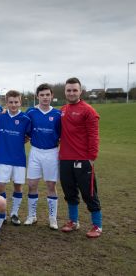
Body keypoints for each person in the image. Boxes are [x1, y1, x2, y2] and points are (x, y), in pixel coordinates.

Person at [59, 77, 102, 238]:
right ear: (65, 92)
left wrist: (91, 157)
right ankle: (73, 221)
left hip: (83, 159)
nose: (71, 93)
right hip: (65, 159)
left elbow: (94, 136)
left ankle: (97, 225)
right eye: (69, 90)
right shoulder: (63, 109)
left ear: (80, 91)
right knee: (69, 192)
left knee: (89, 193)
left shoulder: (88, 110)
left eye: (74, 90)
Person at [24, 84, 61, 230]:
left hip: (51, 152)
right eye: (42, 95)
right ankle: (31, 216)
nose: (45, 97)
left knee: (51, 185)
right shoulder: (31, 111)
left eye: (47, 95)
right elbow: (23, 126)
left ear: (51, 96)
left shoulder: (58, 114)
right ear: (37, 96)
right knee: (32, 184)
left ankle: (53, 219)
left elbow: (62, 134)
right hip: (35, 151)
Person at [0, 90, 31, 226]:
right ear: (6, 103)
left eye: (16, 102)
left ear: (20, 102)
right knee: (0, 186)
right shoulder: (1, 116)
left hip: (18, 158)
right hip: (3, 156)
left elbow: (28, 136)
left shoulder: (26, 119)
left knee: (18, 186)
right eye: (11, 102)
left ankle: (14, 213)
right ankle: (2, 212)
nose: (13, 105)